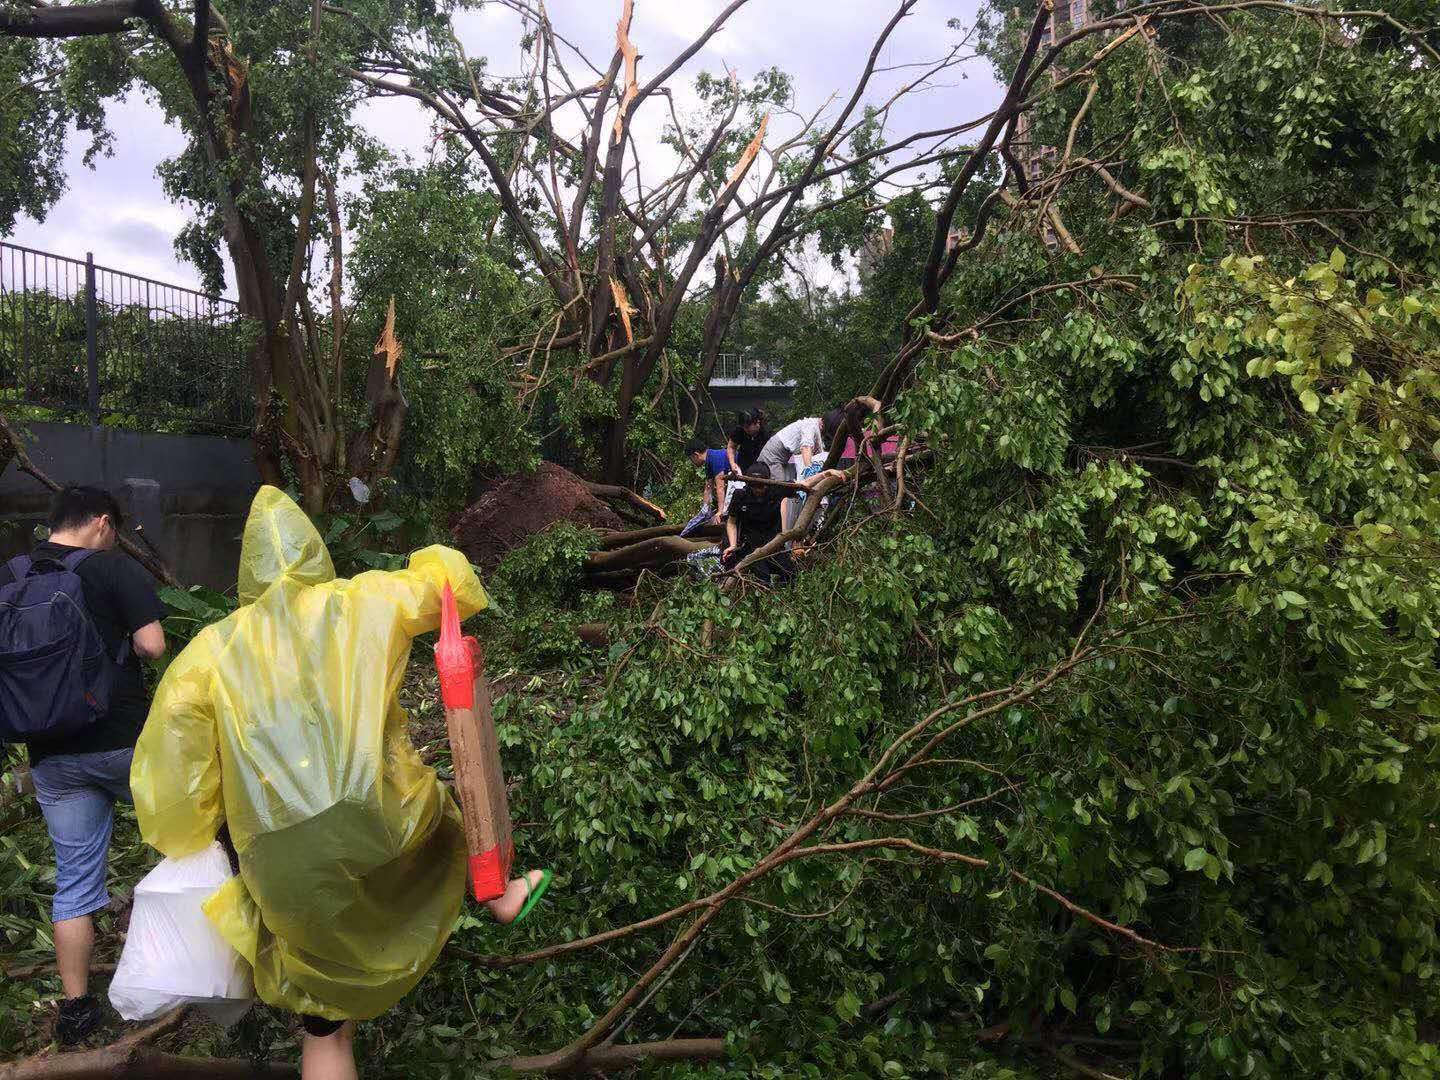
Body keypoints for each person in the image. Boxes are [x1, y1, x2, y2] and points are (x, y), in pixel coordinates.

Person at [131, 487, 549, 1080]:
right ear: (314, 550)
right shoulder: (364, 600)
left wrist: (195, 838)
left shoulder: (209, 652)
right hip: (384, 820)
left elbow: (176, 775)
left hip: (280, 853)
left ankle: (331, 1024)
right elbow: (452, 581)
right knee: (441, 815)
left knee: (322, 1017)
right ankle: (499, 894)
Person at [0, 486, 166, 1045]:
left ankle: (76, 1011)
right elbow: (152, 645)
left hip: (51, 755)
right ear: (101, 523)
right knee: (189, 840)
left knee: (73, 884)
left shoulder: (12, 577)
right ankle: (190, 968)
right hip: (123, 744)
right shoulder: (111, 568)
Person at [680, 438, 733, 538]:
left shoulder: (715, 458)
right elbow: (708, 488)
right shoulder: (709, 460)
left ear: (696, 455)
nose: (692, 462)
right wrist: (704, 510)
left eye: (691, 459)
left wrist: (720, 512)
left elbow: (720, 487)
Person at [726, 409, 769, 474]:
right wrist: (732, 463)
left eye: (748, 427)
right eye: (744, 427)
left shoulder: (766, 433)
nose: (745, 429)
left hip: (762, 466)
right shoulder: (739, 430)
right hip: (744, 464)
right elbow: (731, 447)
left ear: (757, 423)